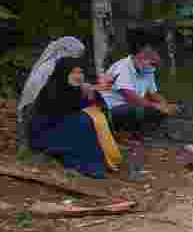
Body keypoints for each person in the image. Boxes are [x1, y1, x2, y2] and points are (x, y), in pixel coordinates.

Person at [19, 37, 122, 179]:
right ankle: (83, 164)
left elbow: (87, 102)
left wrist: (92, 93)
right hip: (45, 131)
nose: (78, 76)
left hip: (63, 124)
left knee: (93, 117)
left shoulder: (71, 84)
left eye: (80, 73)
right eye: (74, 73)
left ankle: (99, 161)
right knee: (83, 121)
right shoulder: (51, 83)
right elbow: (60, 108)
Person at [98, 41, 182, 141]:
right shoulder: (123, 67)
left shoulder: (148, 69)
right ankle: (123, 132)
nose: (154, 66)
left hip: (131, 106)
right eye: (152, 63)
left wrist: (165, 105)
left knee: (165, 108)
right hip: (111, 109)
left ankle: (137, 132)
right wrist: (157, 106)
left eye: (155, 63)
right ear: (141, 56)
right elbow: (130, 96)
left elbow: (154, 93)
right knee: (143, 109)